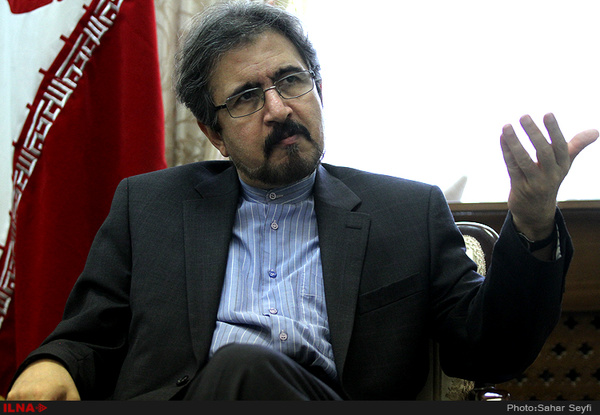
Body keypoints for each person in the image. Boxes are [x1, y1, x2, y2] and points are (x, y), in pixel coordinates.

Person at [6, 1, 598, 401]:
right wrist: (48, 367)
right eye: (245, 96)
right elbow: (87, 337)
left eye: (291, 80)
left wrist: (532, 223)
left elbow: (492, 351)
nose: (278, 108)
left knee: (241, 367)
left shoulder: (405, 213)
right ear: (213, 133)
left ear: (319, 90)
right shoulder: (149, 207)